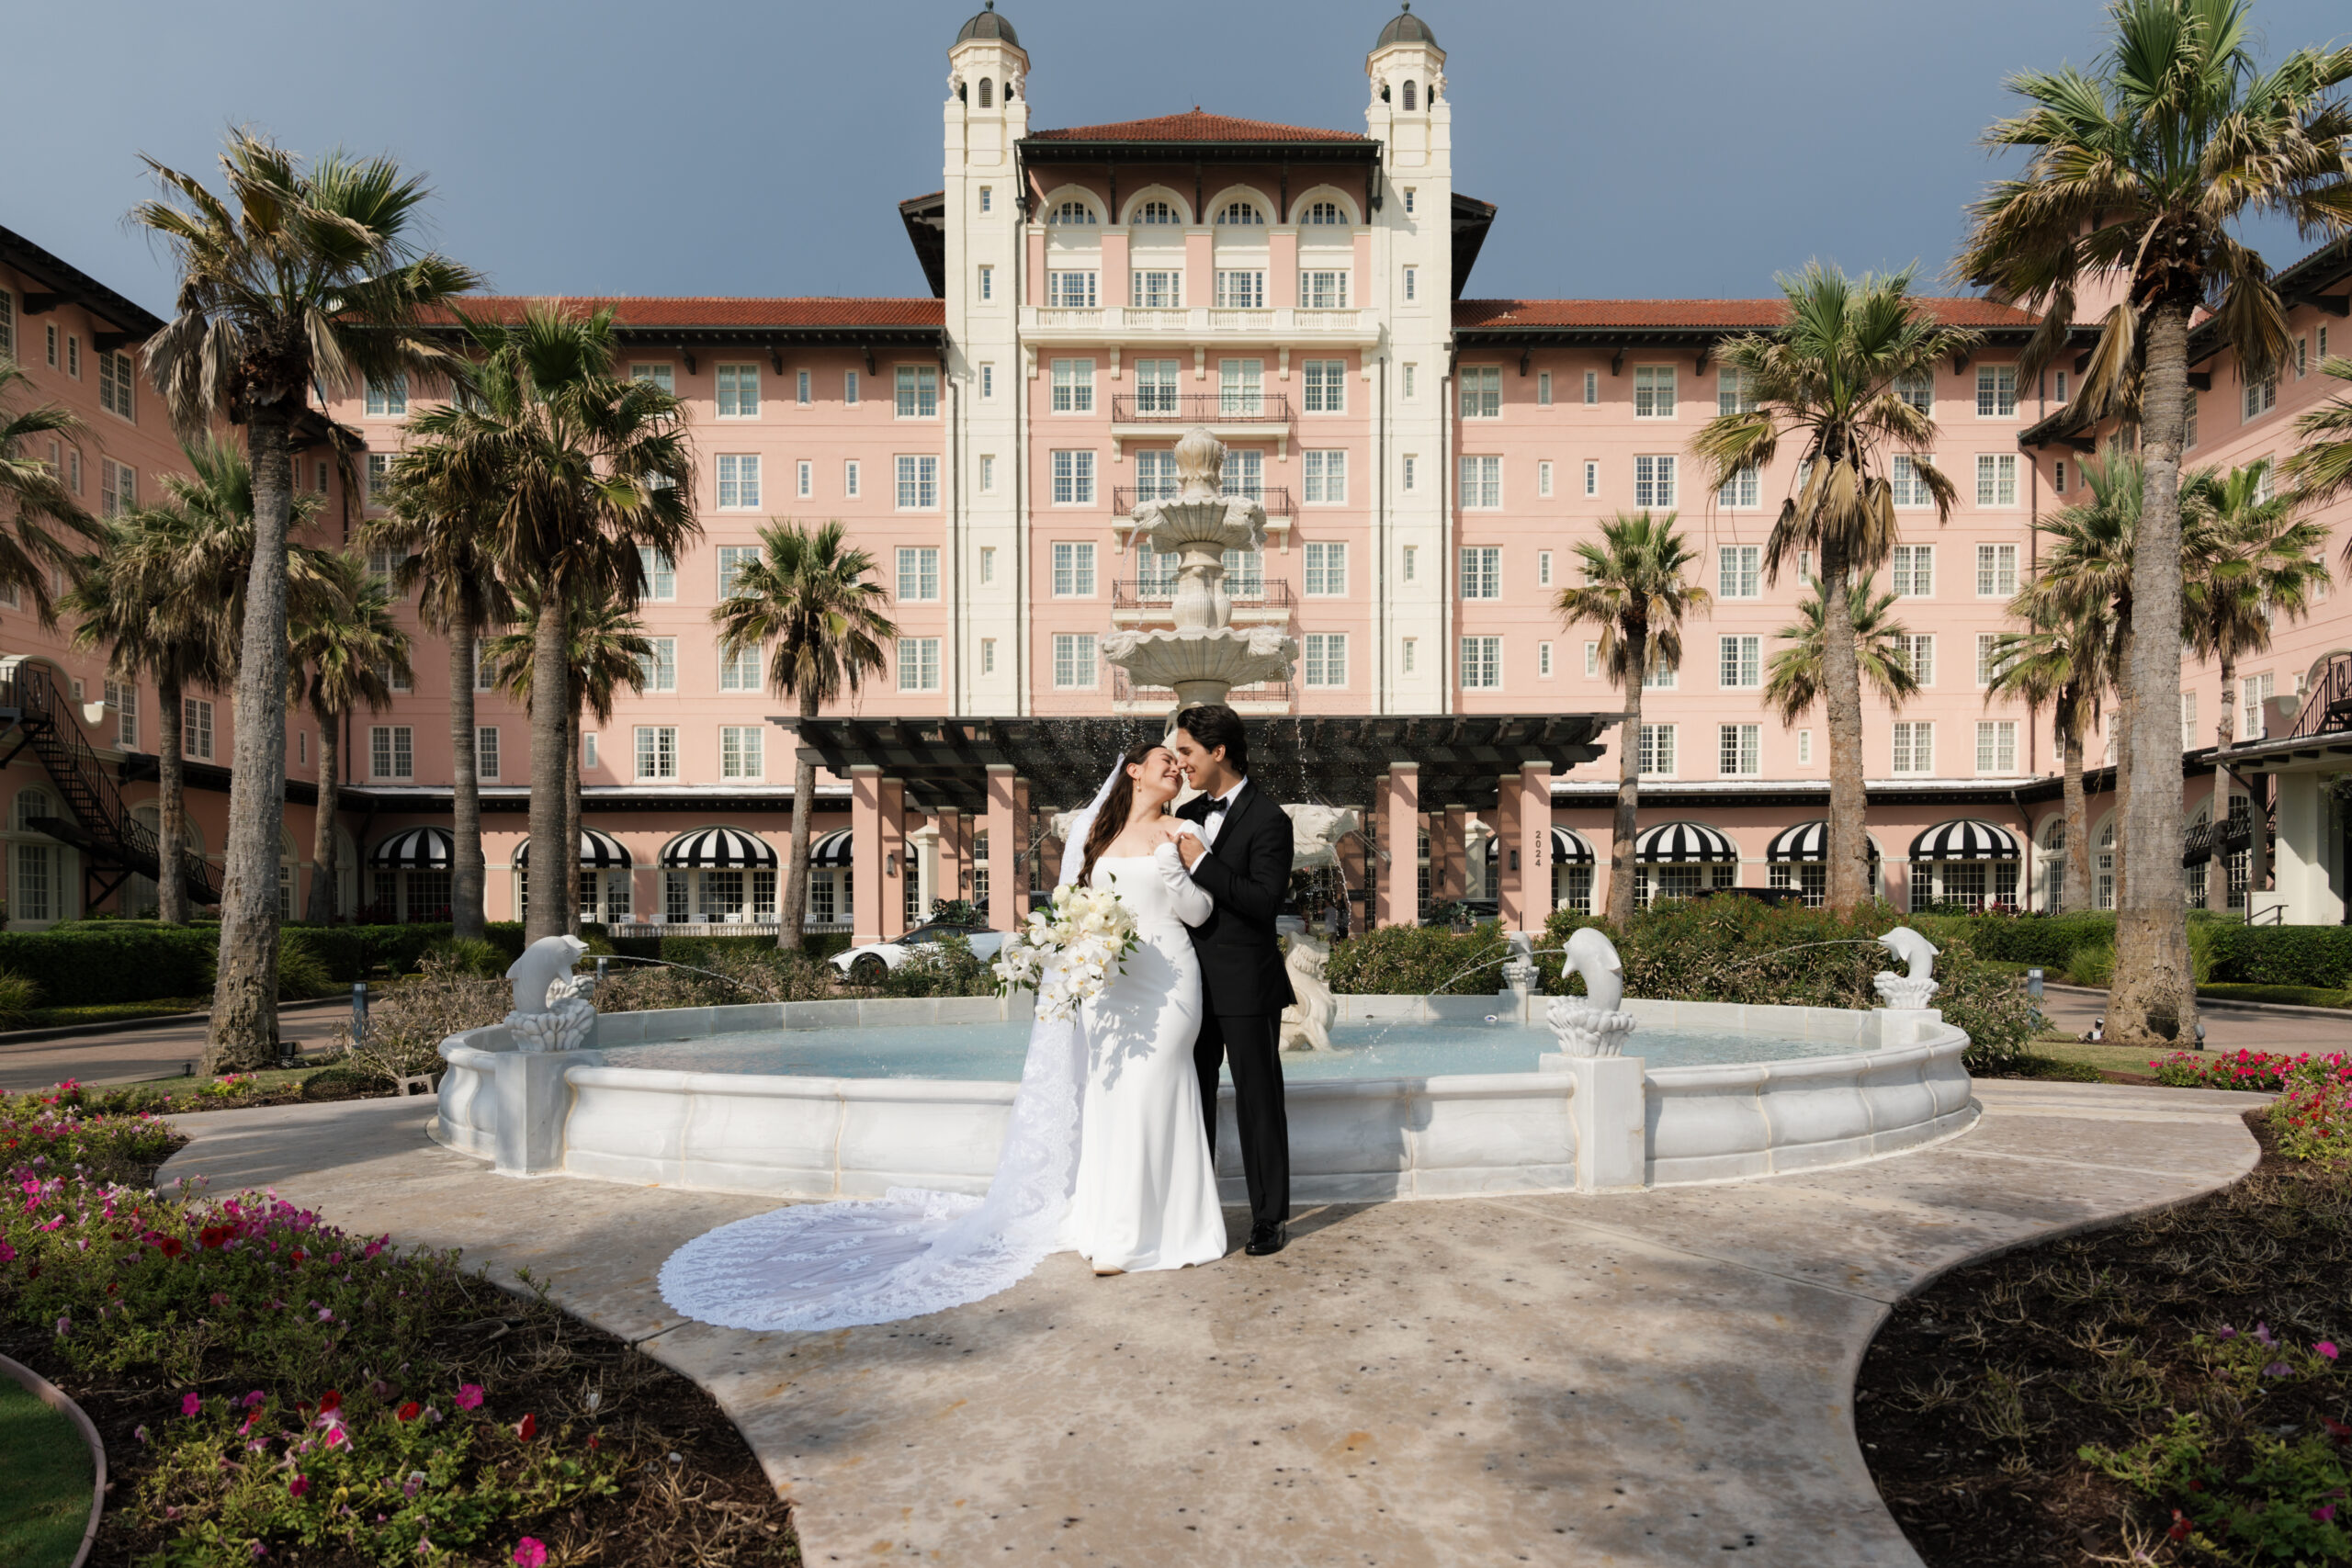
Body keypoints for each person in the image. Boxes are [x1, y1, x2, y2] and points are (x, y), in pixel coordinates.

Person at [656, 739, 1227, 1332]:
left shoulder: (1183, 832)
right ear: (1133, 771)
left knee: (1157, 1089)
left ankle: (1165, 1230)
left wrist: (1170, 871)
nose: (1176, 767)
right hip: (1108, 984)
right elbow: (1080, 909)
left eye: (1180, 763)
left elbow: (1201, 911)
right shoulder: (1099, 840)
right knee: (1112, 1099)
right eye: (1165, 759)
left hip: (1167, 981)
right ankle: (1111, 1225)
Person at [1169, 704, 1297, 1258]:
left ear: (1218, 751)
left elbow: (1264, 902)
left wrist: (1203, 864)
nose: (1181, 765)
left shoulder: (1271, 819)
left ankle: (1269, 1218)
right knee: (1191, 1099)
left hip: (1248, 985)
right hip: (1188, 986)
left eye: (1188, 753)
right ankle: (1195, 1214)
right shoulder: (1186, 812)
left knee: (1257, 1101)